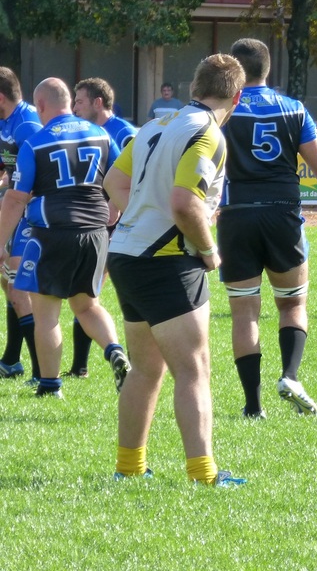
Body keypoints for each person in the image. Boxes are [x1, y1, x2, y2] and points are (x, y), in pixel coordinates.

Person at [103, 54, 246, 486]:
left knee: (146, 369)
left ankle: (129, 468)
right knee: (193, 368)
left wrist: (145, 215)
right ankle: (204, 475)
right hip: (166, 260)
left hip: (126, 253)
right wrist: (209, 250)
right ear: (237, 97)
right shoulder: (208, 132)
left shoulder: (154, 125)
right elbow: (185, 204)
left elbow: (113, 182)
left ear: (193, 89)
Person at [222, 38, 317, 419]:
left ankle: (253, 406)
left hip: (236, 216)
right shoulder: (293, 109)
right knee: (292, 303)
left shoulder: (222, 111)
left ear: (234, 69)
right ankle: (289, 375)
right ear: (268, 68)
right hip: (282, 215)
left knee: (245, 313)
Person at [0, 78, 129, 399]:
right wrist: (114, 209)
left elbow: (16, 199)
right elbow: (122, 177)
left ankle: (50, 385)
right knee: (87, 306)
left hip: (52, 233)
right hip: (95, 233)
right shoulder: (101, 134)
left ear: (41, 105)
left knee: (47, 314)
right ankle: (114, 350)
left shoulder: (36, 142)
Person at [66, 77, 138, 379]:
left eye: (80, 101)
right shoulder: (84, 131)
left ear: (98, 102)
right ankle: (80, 367)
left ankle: (133, 359)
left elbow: (136, 176)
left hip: (121, 225)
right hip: (94, 222)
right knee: (86, 291)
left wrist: (116, 206)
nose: (74, 108)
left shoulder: (123, 132)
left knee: (96, 292)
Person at [0, 68, 42, 383]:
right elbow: (7, 169)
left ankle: (42, 371)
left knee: (17, 287)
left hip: (29, 213)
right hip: (13, 207)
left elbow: (36, 176)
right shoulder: (6, 122)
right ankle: (12, 360)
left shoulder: (27, 124)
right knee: (8, 283)